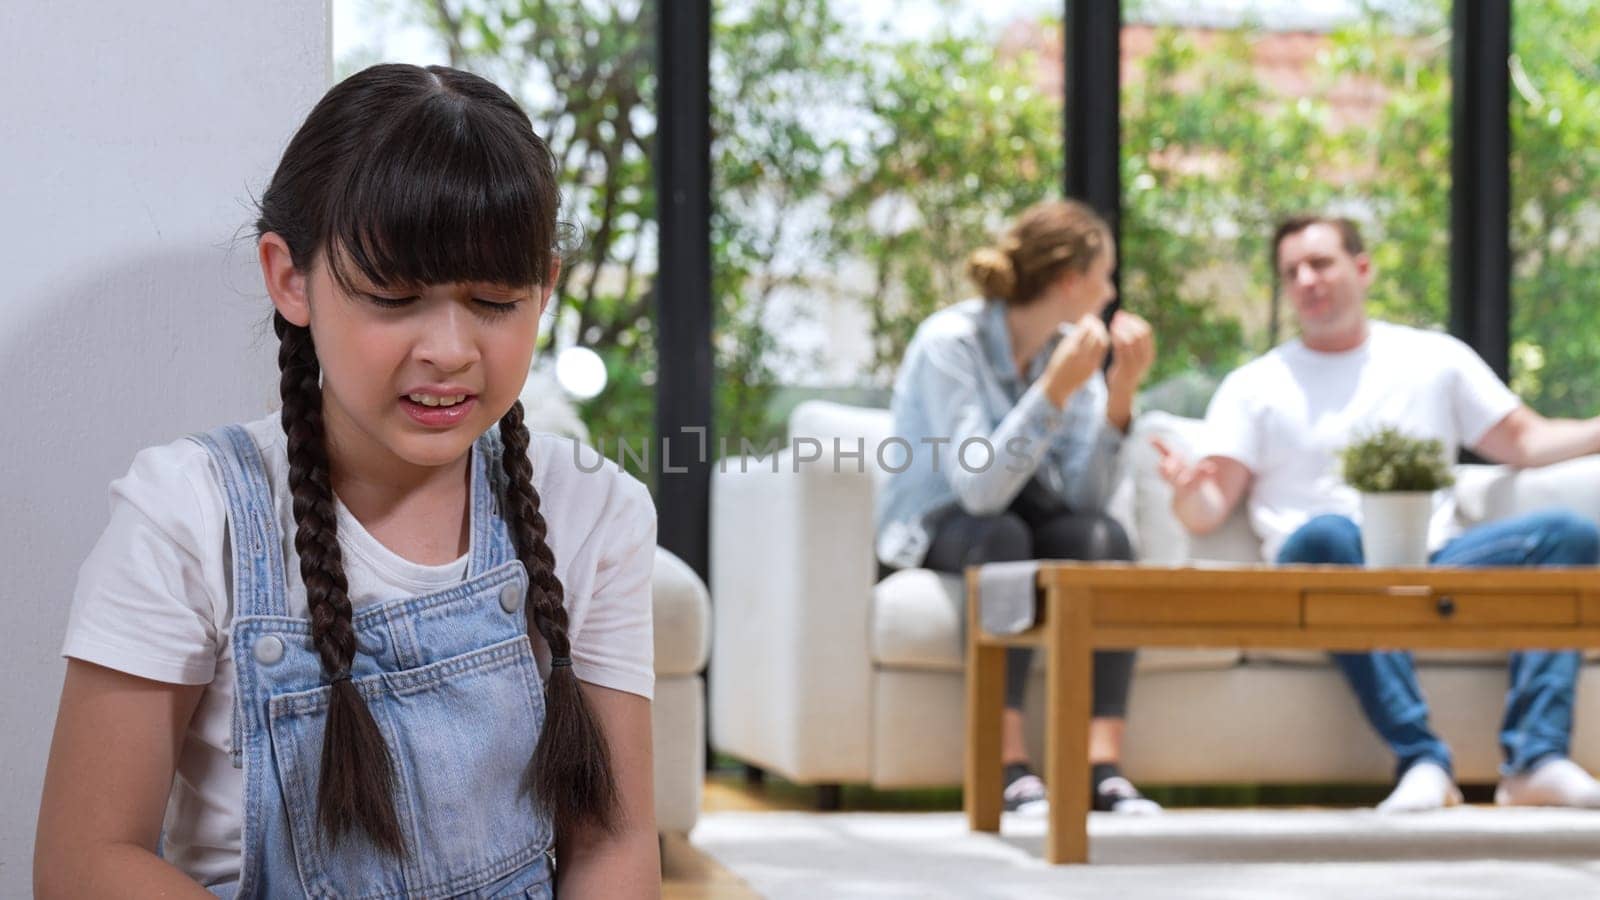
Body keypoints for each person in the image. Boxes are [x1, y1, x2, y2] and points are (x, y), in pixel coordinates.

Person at [34, 64, 660, 897]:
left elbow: (613, 852)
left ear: (543, 289)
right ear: (291, 278)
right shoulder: (188, 513)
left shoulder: (596, 510)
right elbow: (86, 863)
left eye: (494, 300)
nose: (449, 348)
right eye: (395, 297)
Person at [1155, 214, 1600, 813]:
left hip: (1431, 562)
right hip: (1322, 568)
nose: (1307, 281)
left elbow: (1525, 442)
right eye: (1292, 272)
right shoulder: (1254, 385)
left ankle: (1536, 759)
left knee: (1567, 535)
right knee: (1329, 534)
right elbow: (1208, 510)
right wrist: (1186, 489)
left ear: (1362, 269)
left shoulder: (1434, 359)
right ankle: (1423, 759)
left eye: (1320, 264)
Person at [876, 198, 1161, 816]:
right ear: (1068, 281)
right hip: (945, 525)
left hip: (1026, 517)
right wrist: (1050, 391)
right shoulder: (951, 343)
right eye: (1104, 276)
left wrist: (1117, 399)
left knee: (1101, 539)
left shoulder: (1075, 360)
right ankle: (1007, 766)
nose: (1110, 293)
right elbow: (978, 490)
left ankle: (1100, 766)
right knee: (1001, 534)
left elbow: (1082, 503)